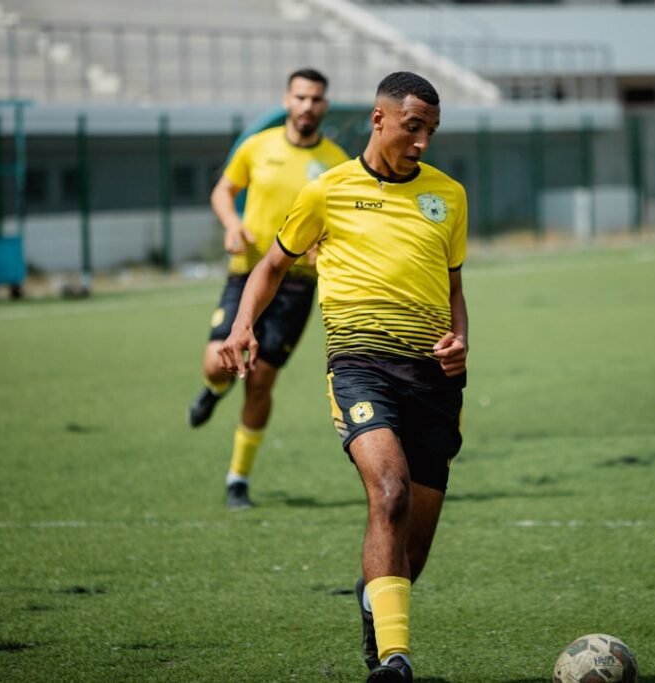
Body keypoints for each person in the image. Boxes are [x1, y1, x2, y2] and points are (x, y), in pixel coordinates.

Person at [218, 71, 468, 683]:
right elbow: (271, 265)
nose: (423, 142)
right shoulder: (327, 191)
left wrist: (461, 339)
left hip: (434, 380)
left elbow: (454, 285)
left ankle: (371, 599)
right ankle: (394, 661)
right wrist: (243, 324)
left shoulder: (449, 196)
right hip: (360, 367)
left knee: (412, 552)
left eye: (432, 131)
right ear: (379, 119)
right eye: (414, 127)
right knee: (390, 491)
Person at [187, 68, 350, 510]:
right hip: (248, 272)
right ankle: (213, 390)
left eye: (315, 99)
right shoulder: (257, 146)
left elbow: (345, 222)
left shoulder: (338, 163)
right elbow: (223, 191)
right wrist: (232, 223)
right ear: (287, 100)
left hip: (297, 285)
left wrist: (325, 246)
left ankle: (237, 479)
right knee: (217, 364)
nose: (307, 106)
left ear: (324, 105)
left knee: (260, 382)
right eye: (300, 97)